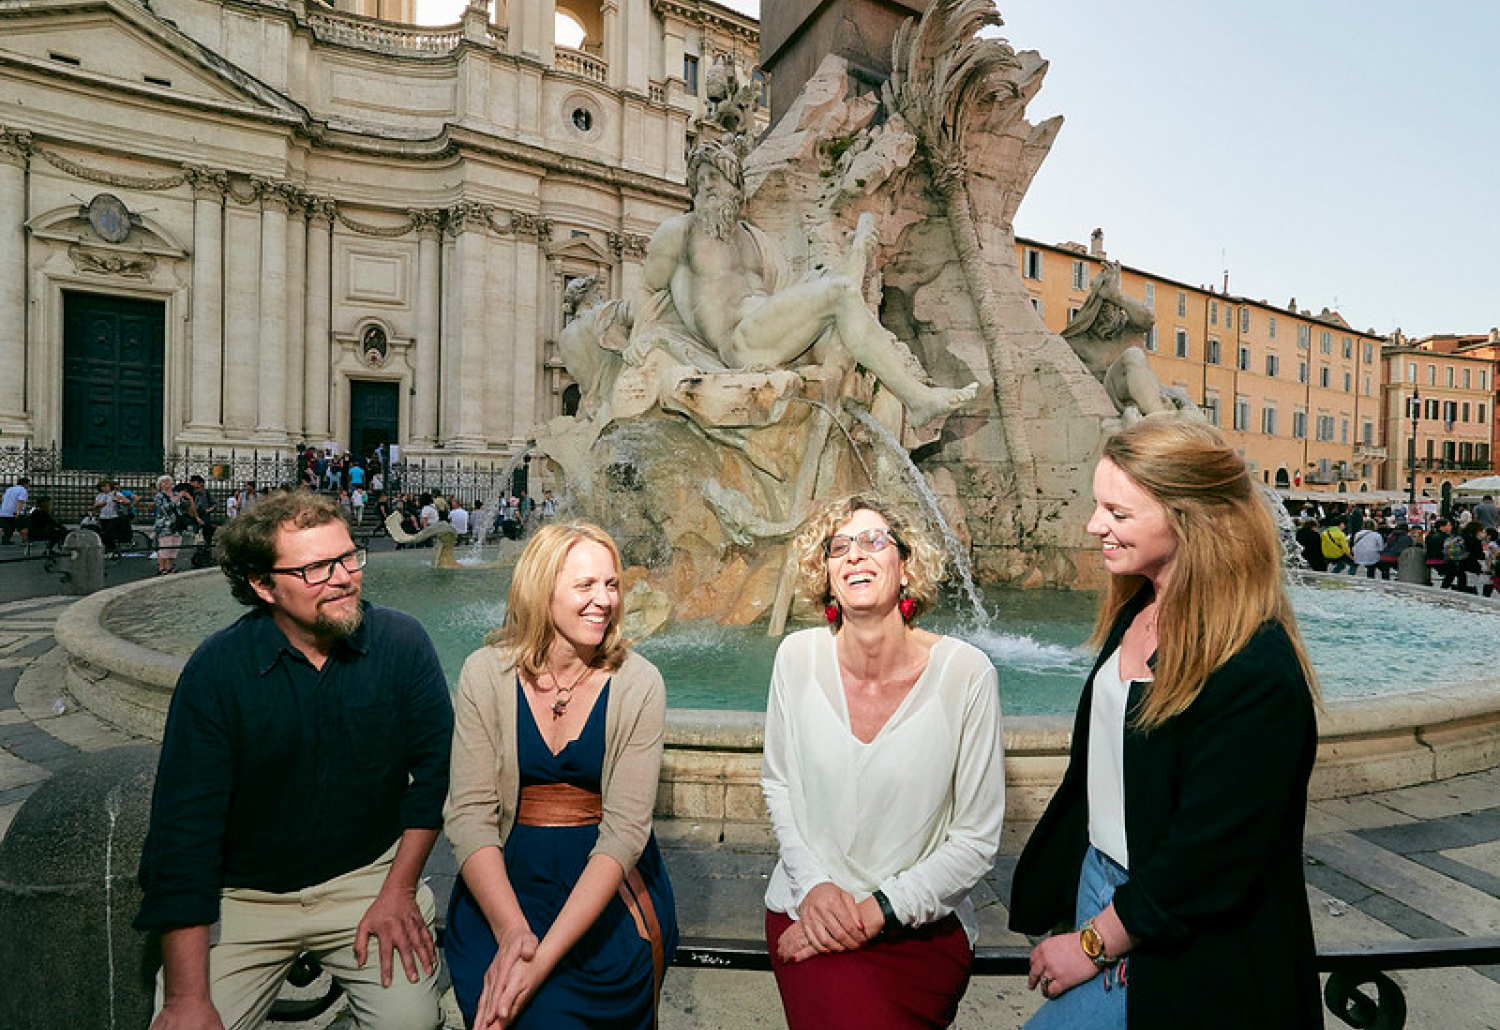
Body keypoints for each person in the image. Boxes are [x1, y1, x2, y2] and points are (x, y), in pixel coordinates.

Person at [1009, 418, 1322, 1029]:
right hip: (1104, 888)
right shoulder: (1138, 607)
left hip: (1174, 928)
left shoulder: (1256, 670)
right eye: (1099, 507)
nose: (1095, 525)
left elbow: (1209, 856)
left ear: (1189, 521)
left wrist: (1098, 940)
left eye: (1118, 514)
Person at [134, 490, 453, 1030]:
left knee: (411, 1022)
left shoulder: (404, 643)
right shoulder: (216, 672)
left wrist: (398, 890)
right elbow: (183, 834)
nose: (344, 577)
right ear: (263, 586)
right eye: (315, 568)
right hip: (240, 898)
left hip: (369, 879)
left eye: (349, 557)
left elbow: (432, 778)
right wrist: (186, 997)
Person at [761, 495, 1004, 1030]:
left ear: (907, 566)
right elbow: (778, 786)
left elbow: (976, 840)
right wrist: (818, 890)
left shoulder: (968, 674)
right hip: (807, 907)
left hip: (921, 926)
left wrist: (873, 913)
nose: (855, 555)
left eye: (874, 541)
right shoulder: (795, 659)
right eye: (839, 546)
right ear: (824, 575)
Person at [444, 522, 678, 1030]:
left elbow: (625, 835)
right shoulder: (484, 674)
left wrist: (537, 962)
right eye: (585, 585)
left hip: (605, 898)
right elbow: (469, 816)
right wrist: (511, 933)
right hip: (503, 887)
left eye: (611, 584)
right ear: (541, 589)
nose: (605, 600)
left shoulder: (639, 683)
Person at [630, 141, 977, 427]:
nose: (707, 185)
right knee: (839, 293)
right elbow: (647, 290)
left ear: (737, 188)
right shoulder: (679, 233)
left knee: (840, 324)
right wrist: (639, 343)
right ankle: (918, 399)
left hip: (770, 331)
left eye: (716, 177)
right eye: (701, 178)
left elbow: (787, 296)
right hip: (739, 343)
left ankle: (894, 410)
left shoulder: (755, 240)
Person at [152, 476, 182, 575]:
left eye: (168, 481)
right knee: (165, 546)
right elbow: (163, 509)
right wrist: (174, 501)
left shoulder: (176, 494)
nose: (167, 483)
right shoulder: (159, 496)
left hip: (176, 524)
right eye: (164, 482)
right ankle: (162, 567)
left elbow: (181, 508)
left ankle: (170, 566)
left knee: (175, 546)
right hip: (164, 524)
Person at [0, 475, 28, 545]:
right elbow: (20, 501)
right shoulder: (23, 490)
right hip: (14, 511)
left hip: (5, 510)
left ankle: (5, 540)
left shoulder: (9, 489)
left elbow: (2, 499)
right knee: (22, 526)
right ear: (25, 484)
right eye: (28, 484)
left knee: (9, 527)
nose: (28, 486)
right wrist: (18, 512)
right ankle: (25, 541)